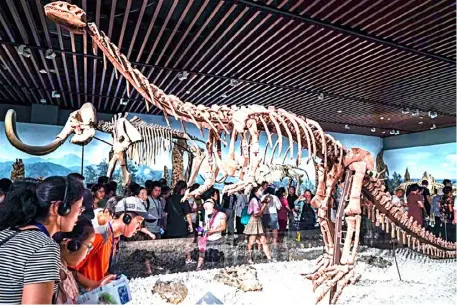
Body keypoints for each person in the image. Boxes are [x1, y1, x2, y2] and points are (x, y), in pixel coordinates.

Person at [0, 176, 84, 304]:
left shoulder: (6, 233)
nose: (80, 214)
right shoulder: (44, 248)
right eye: (79, 208)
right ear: (59, 207)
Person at [73, 196, 155, 290]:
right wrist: (93, 285)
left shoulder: (114, 239)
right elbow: (69, 269)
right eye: (138, 222)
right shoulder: (99, 236)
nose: (139, 227)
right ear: (126, 218)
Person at [54, 217, 96, 304]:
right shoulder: (59, 276)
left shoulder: (65, 270)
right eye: (89, 246)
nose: (88, 252)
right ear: (71, 245)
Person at [197, 188, 227, 271]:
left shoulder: (221, 214)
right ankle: (199, 268)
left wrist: (212, 231)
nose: (206, 211)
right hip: (206, 238)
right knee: (204, 256)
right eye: (205, 209)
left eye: (208, 209)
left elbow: (223, 227)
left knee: (215, 258)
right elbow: (203, 225)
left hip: (216, 239)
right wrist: (199, 231)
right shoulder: (206, 214)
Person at [244, 185, 273, 263]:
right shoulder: (254, 200)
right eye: (260, 190)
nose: (262, 191)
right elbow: (256, 213)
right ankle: (249, 258)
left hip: (257, 221)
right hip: (254, 220)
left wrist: (264, 203)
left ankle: (269, 258)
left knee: (263, 240)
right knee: (252, 240)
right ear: (255, 191)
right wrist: (264, 205)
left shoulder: (257, 200)